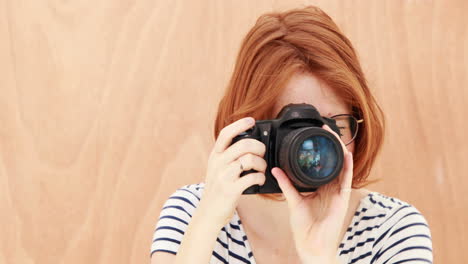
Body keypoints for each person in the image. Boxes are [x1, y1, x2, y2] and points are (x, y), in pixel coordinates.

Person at [150, 5, 433, 264]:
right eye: (292, 129)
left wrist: (321, 256)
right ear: (249, 130)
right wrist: (206, 224)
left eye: (332, 125)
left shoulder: (393, 228)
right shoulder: (193, 212)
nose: (312, 148)